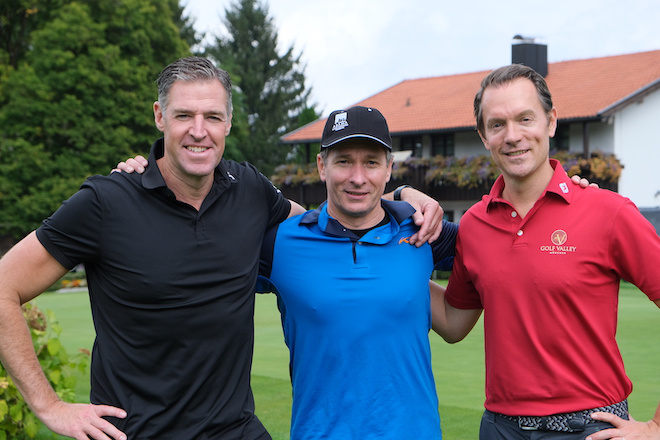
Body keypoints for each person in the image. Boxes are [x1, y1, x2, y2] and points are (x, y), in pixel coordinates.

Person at [0, 57, 443, 440]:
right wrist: (49, 406)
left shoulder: (248, 189)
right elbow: (5, 286)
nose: (199, 131)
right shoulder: (106, 202)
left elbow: (328, 222)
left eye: (212, 116)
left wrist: (405, 197)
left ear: (228, 122)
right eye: (183, 115)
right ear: (159, 116)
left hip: (235, 429)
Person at [431, 64, 660, 440]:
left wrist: (656, 427)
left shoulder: (610, 213)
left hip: (588, 429)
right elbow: (454, 324)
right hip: (499, 428)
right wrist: (390, 264)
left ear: (551, 121)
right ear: (483, 135)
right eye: (497, 124)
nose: (513, 136)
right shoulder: (474, 224)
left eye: (525, 119)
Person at [255, 106, 457, 439]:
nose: (358, 177)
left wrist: (574, 191)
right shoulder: (280, 242)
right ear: (322, 166)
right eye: (344, 161)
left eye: (372, 162)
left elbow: (505, 247)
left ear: (389, 168)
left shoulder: (424, 230)